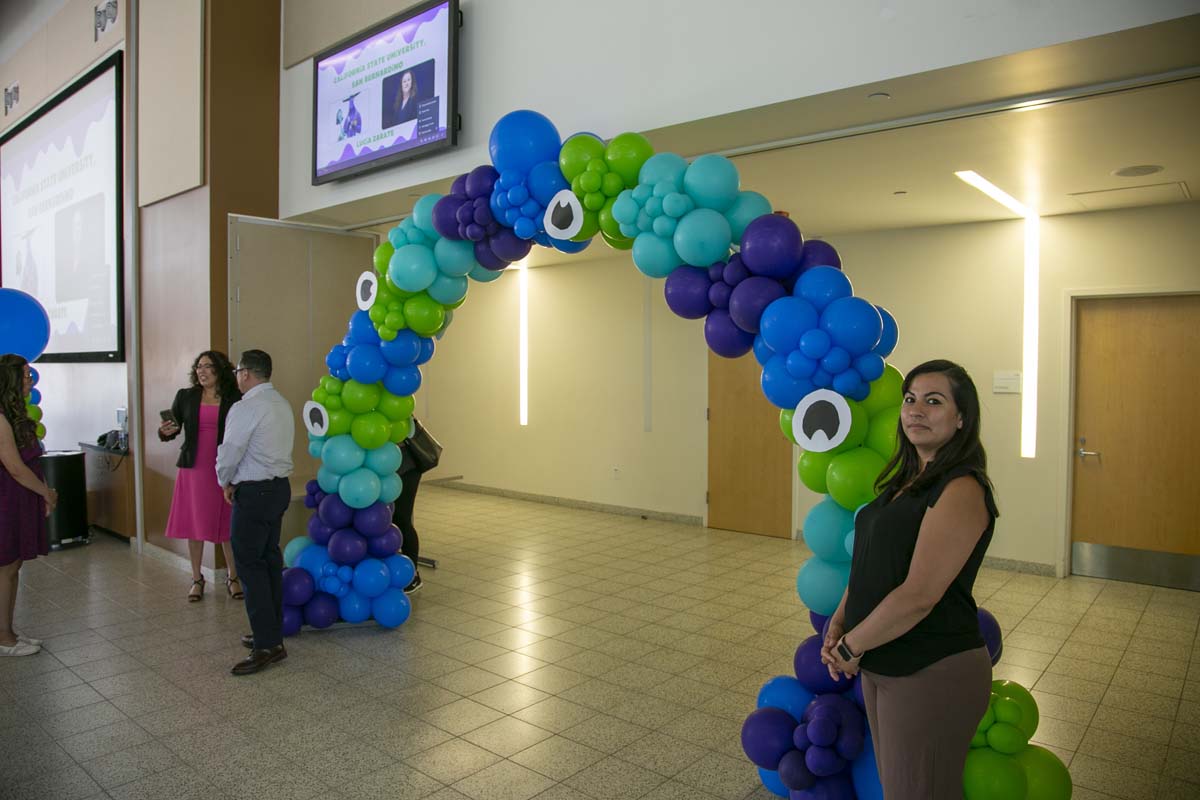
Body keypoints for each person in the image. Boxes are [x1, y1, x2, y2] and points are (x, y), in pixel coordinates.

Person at [821, 359, 998, 800]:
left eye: (933, 401)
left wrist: (850, 645)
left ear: (962, 418)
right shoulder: (904, 480)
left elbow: (920, 594)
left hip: (930, 668)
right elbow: (869, 564)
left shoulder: (961, 488)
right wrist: (840, 620)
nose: (915, 410)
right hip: (880, 661)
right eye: (910, 399)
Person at [216, 350, 294, 675]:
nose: (236, 376)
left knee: (250, 566)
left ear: (245, 373)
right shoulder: (280, 402)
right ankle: (271, 633)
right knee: (269, 559)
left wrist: (224, 480)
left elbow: (231, 450)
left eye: (237, 371)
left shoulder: (246, 407)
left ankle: (267, 645)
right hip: (278, 490)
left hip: (256, 493)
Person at [158, 351, 243, 602]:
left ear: (220, 370)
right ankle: (196, 578)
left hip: (224, 467)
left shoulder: (235, 398)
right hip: (194, 468)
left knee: (228, 524)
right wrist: (165, 431)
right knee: (194, 524)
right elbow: (170, 432)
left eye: (207, 366)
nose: (201, 371)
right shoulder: (186, 396)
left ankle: (233, 577)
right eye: (198, 367)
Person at [0, 354, 56, 657]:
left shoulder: (15, 414)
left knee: (14, 565)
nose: (29, 380)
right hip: (7, 498)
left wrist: (43, 490)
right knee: (5, 567)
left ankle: (8, 630)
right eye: (23, 376)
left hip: (21, 495)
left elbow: (32, 461)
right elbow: (15, 468)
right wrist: (46, 494)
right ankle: (3, 638)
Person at [391, 417, 434, 593]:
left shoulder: (398, 408)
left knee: (402, 518)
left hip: (406, 467)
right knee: (387, 519)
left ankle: (412, 575)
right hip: (386, 469)